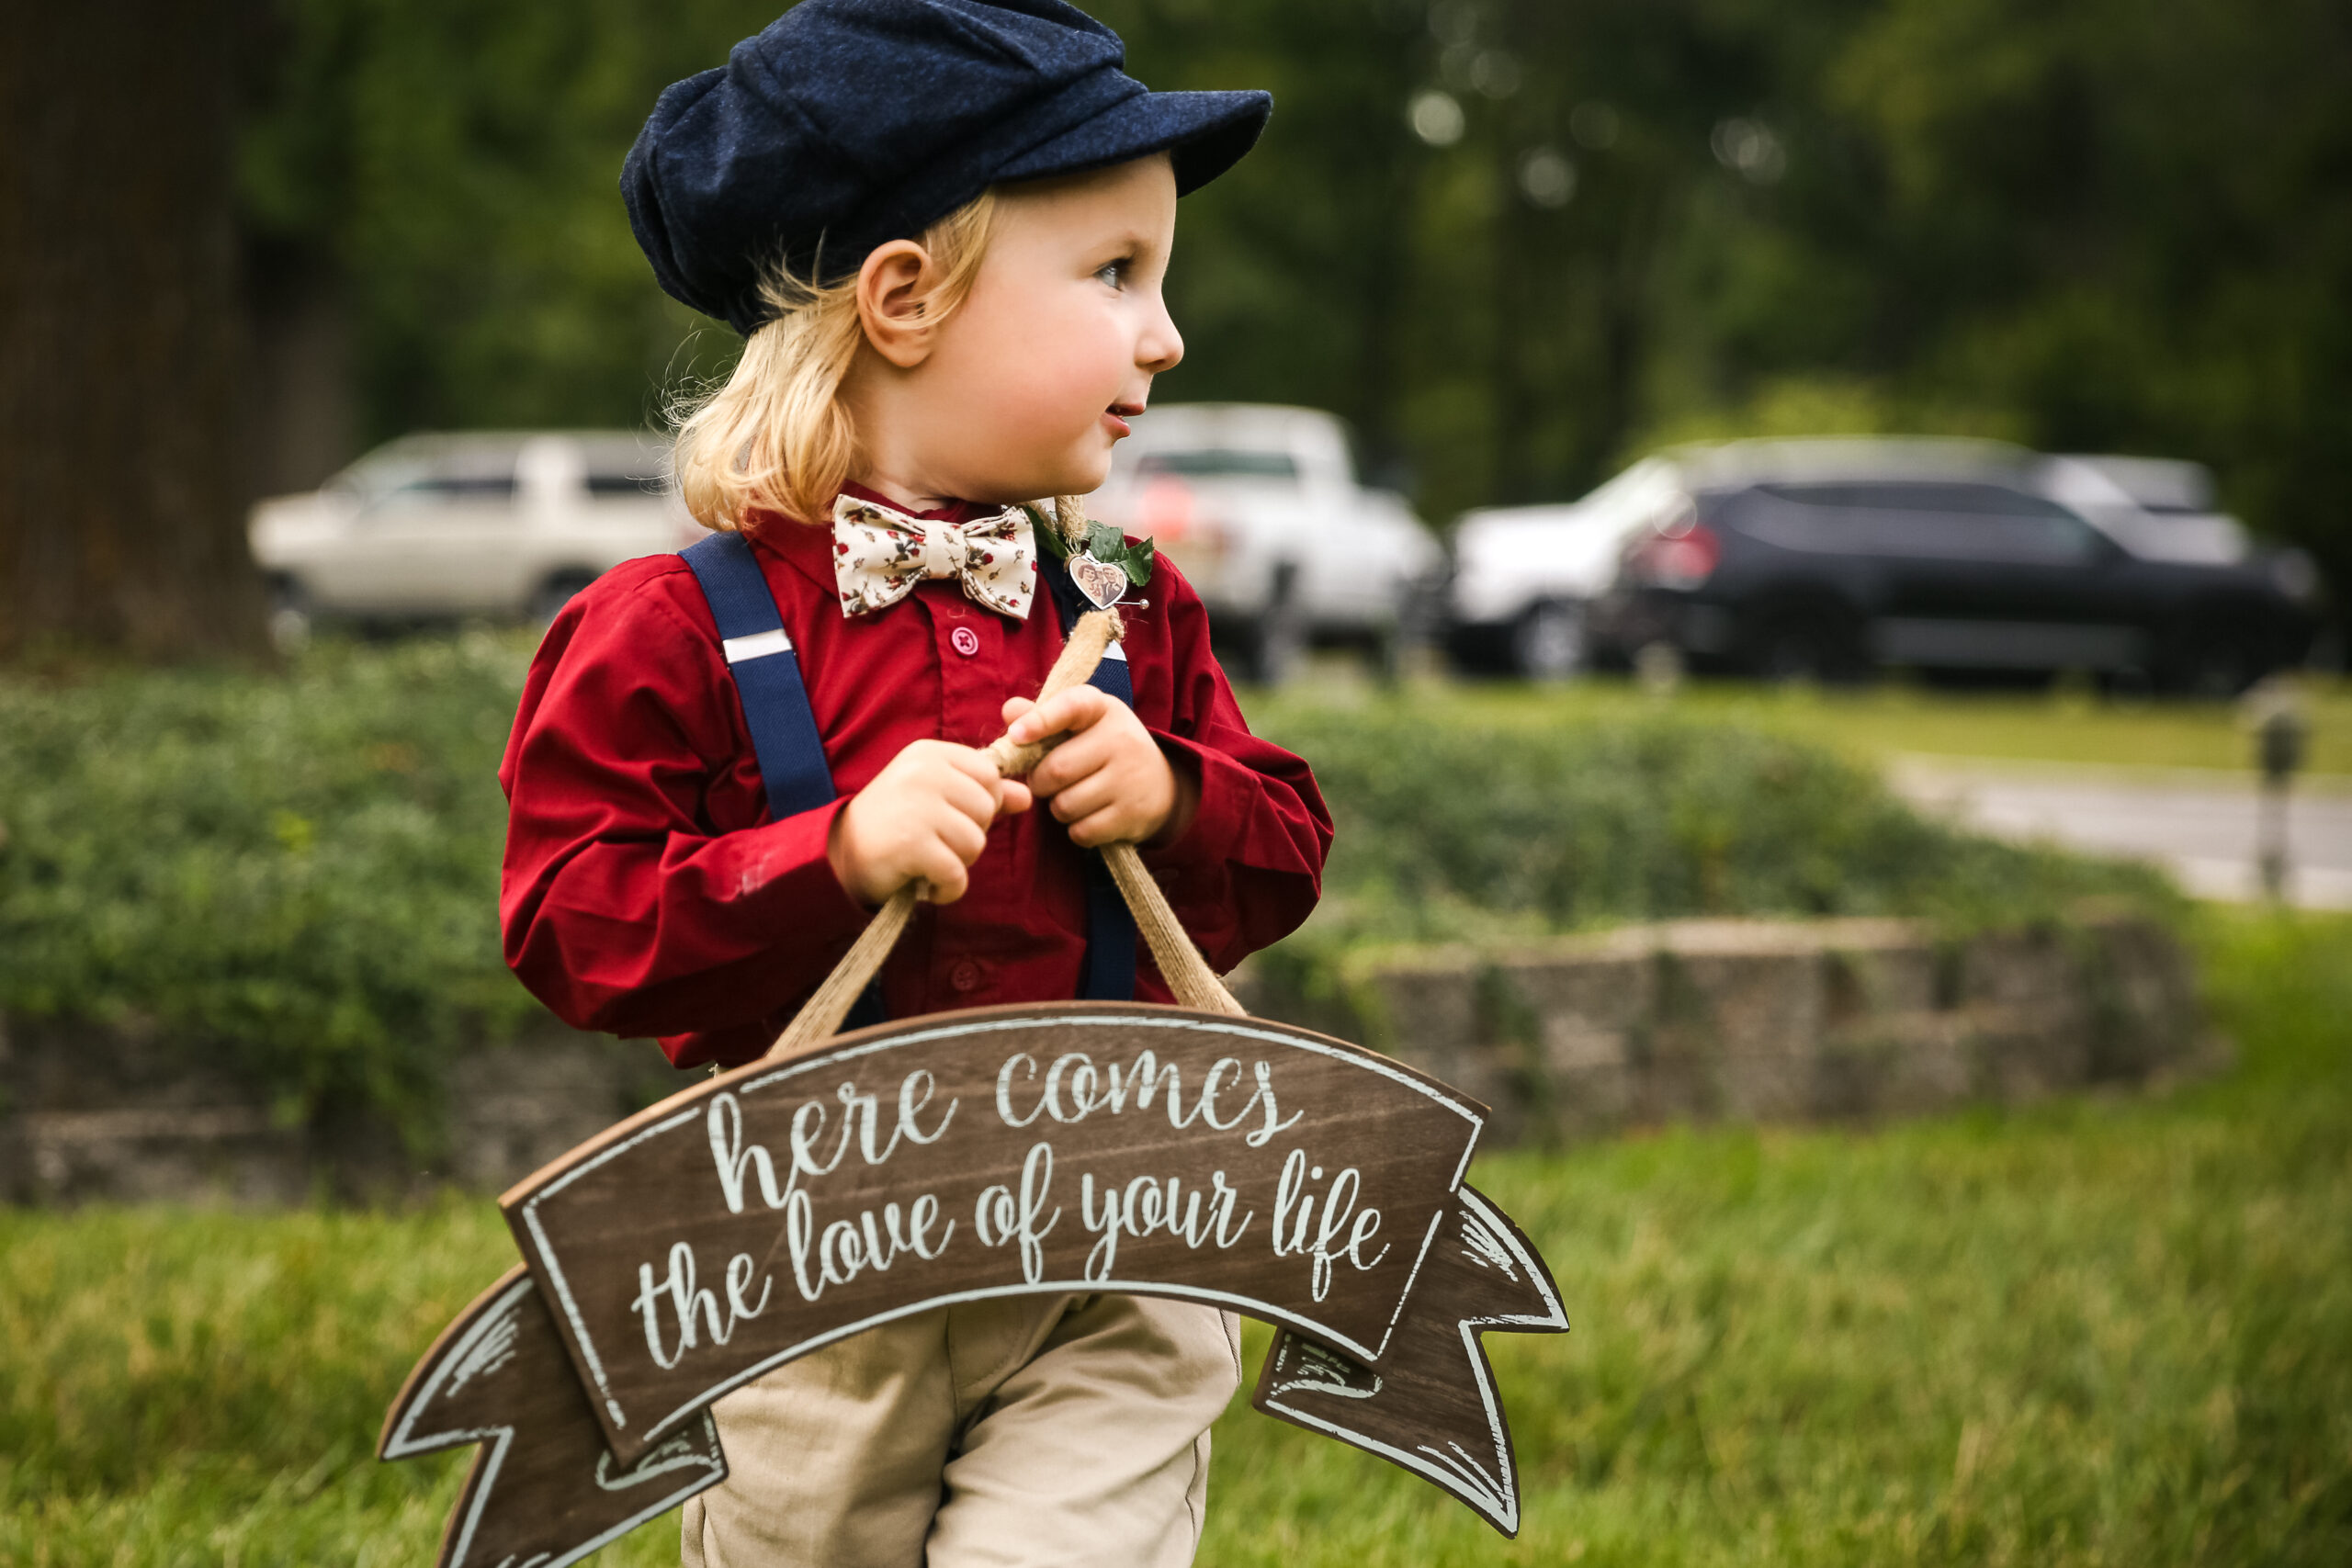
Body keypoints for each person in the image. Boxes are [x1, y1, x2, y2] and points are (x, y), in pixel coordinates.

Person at [494, 3, 1330, 1563]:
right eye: (1113, 275)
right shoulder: (675, 628)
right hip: (814, 1271)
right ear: (903, 298)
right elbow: (569, 923)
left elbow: (1284, 854)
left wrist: (1173, 794)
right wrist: (828, 853)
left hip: (1111, 1242)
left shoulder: (1130, 609)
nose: (1166, 335)